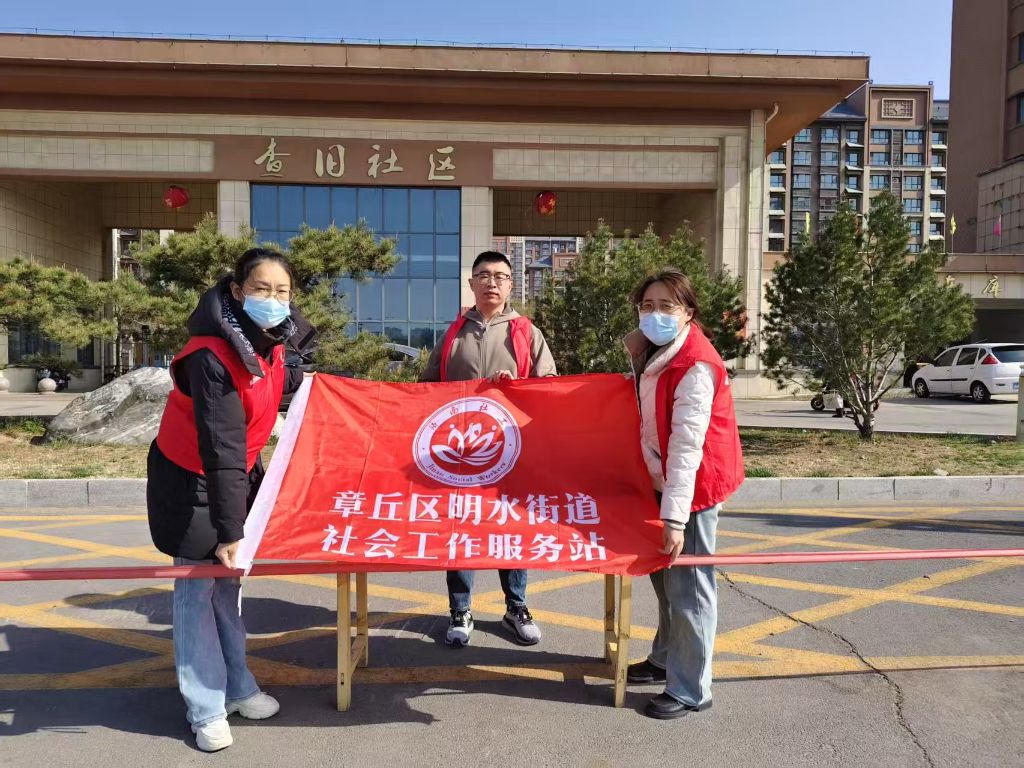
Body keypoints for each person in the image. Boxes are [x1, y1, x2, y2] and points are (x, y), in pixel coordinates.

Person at [147, 248, 315, 752]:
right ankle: (205, 709)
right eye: (262, 289)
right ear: (238, 292)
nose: (273, 299)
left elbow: (291, 381)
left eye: (282, 291)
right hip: (191, 482)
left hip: (233, 478)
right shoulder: (211, 354)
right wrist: (229, 530)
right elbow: (220, 447)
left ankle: (238, 687)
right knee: (196, 593)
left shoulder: (271, 344)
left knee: (228, 590)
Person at [622, 268, 744, 720]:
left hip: (694, 485)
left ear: (688, 312)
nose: (654, 314)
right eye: (646, 306)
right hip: (662, 478)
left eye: (666, 306)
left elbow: (687, 447)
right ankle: (665, 658)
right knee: (664, 578)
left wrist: (675, 518)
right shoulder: (654, 350)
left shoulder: (695, 364)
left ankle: (691, 688)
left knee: (690, 585)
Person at [419, 250, 557, 647]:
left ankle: (516, 606)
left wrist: (518, 386)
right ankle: (460, 609)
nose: (491, 282)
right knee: (460, 529)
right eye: (483, 275)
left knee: (510, 528)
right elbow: (426, 387)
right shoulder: (453, 334)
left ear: (511, 284)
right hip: (458, 453)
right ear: (472, 283)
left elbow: (550, 385)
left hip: (510, 449)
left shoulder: (526, 332)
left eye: (500, 276)